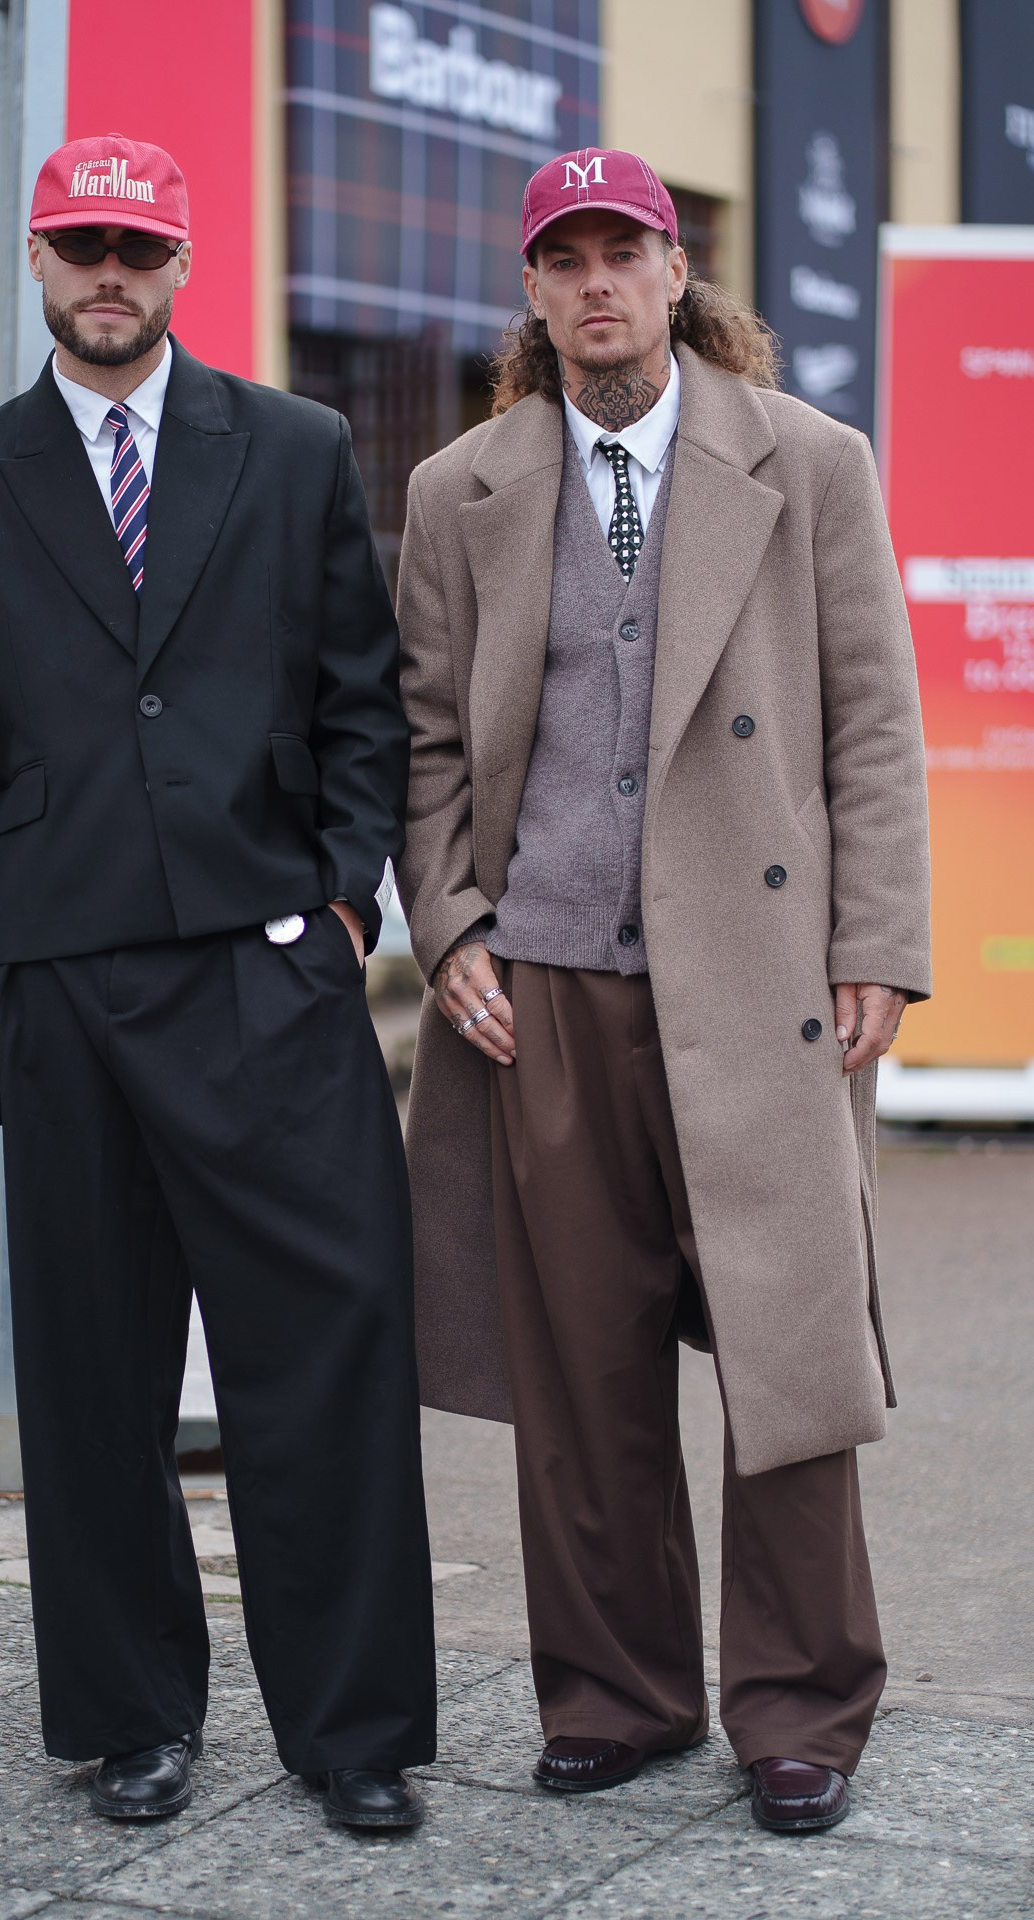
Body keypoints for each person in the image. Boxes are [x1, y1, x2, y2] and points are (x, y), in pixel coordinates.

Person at [0, 133, 435, 1830]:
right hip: (63, 991)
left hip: (270, 983)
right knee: (94, 1373)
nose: (106, 274)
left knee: (325, 1356)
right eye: (77, 246)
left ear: (182, 261)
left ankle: (351, 1736)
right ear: (39, 262)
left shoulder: (293, 451)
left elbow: (368, 701)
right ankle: (134, 1715)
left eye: (135, 246)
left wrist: (346, 907)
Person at [396, 147, 930, 1836]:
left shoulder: (810, 463)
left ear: (675, 272)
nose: (598, 282)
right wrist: (455, 923)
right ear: (535, 290)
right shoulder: (458, 487)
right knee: (581, 1369)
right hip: (544, 988)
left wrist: (878, 945)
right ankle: (618, 1697)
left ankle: (800, 1705)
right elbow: (423, 744)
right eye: (566, 258)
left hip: (759, 974)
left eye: (625, 249)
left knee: (788, 1350)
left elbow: (872, 723)